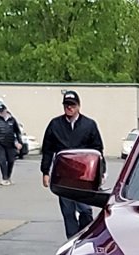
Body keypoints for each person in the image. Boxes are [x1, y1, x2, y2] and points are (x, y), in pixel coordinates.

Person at [41, 90, 104, 238]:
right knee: (68, 212)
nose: (69, 108)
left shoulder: (89, 125)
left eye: (72, 105)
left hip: (84, 176)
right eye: (66, 105)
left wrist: (101, 172)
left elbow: (97, 150)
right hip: (63, 176)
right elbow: (48, 150)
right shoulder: (55, 125)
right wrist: (45, 171)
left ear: (78, 106)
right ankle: (72, 240)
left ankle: (85, 236)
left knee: (85, 210)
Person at [0, 102, 22, 185]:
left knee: (11, 160)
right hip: (0, 143)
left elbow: (17, 132)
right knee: (2, 161)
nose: (1, 113)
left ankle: (8, 176)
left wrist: (19, 142)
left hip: (10, 143)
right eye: (0, 111)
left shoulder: (12, 120)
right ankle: (4, 178)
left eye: (2, 111)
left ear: (6, 111)